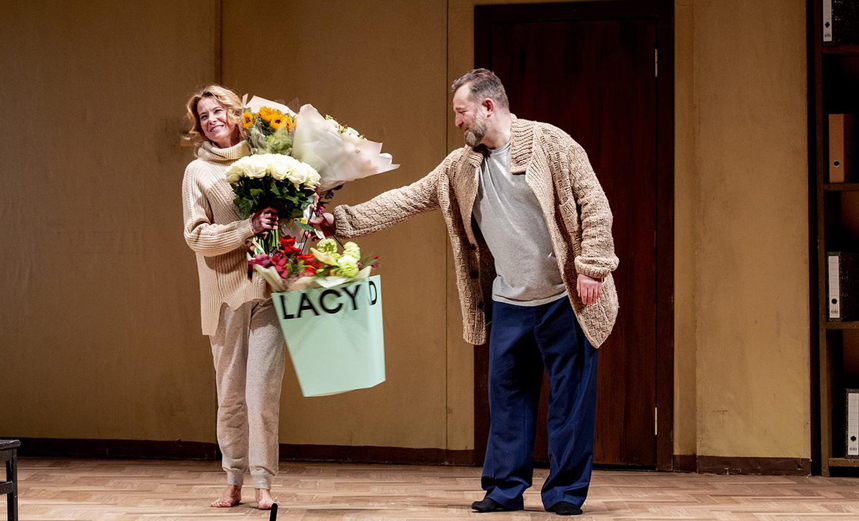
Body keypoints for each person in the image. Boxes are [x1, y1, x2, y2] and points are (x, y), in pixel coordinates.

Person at [313, 69, 618, 516]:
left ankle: (565, 495)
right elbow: (407, 198)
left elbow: (594, 205)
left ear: (488, 107)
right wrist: (340, 221)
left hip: (565, 299)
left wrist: (592, 267)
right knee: (507, 400)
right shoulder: (461, 165)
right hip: (510, 302)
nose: (457, 122)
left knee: (569, 403)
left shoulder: (551, 143)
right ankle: (504, 489)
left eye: (461, 112)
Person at [181, 84, 285, 510]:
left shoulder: (270, 159)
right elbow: (196, 237)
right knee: (230, 395)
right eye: (204, 116)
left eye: (217, 111)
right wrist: (247, 228)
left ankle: (262, 483)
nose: (212, 120)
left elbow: (288, 219)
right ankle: (233, 478)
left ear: (235, 112)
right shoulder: (197, 172)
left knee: (262, 393)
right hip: (224, 296)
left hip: (268, 289)